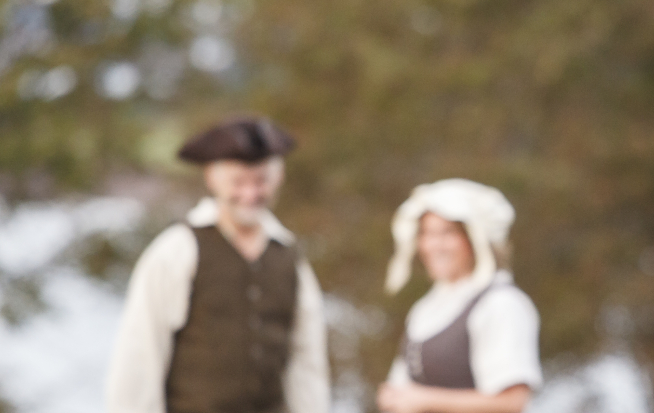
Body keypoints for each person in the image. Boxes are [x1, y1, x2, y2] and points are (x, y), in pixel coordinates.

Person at [106, 117, 330, 413]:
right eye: (238, 182)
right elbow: (140, 358)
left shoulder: (289, 257)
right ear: (212, 178)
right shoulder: (177, 251)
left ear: (278, 179)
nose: (250, 194)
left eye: (261, 181)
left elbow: (307, 364)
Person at [376, 179, 542, 413]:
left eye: (447, 233)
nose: (434, 245)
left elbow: (512, 402)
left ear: (475, 239)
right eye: (427, 233)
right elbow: (403, 389)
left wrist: (426, 400)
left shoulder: (500, 304)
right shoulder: (425, 307)